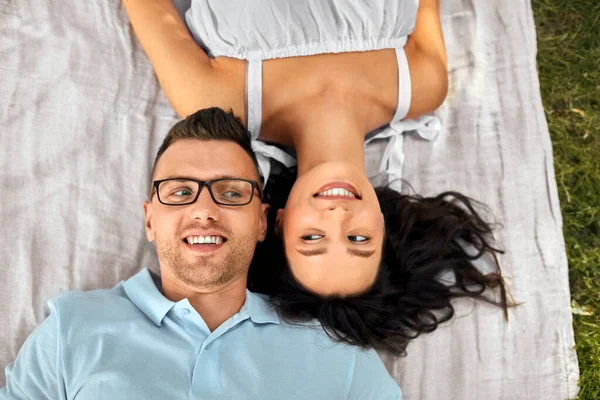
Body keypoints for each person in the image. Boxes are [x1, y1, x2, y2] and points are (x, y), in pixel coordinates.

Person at [123, 0, 510, 356]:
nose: (337, 214)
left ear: (278, 221)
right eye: (359, 239)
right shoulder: (423, 85)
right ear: (383, 223)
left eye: (312, 238)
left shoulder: (214, 95)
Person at [0, 108, 401, 399]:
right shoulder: (71, 330)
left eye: (230, 193)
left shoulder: (336, 354)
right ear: (150, 221)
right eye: (179, 192)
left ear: (262, 221)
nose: (204, 210)